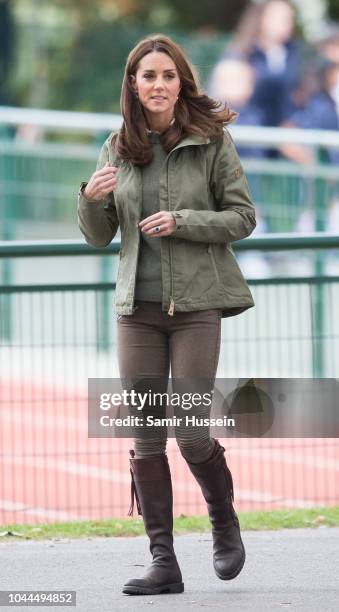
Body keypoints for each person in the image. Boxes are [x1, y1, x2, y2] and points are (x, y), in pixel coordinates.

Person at [77, 34, 256, 596]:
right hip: (137, 310)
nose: (158, 85)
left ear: (182, 83)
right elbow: (98, 236)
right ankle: (163, 562)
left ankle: (223, 521)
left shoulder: (211, 141)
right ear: (133, 84)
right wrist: (90, 197)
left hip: (197, 305)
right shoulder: (116, 145)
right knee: (147, 434)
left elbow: (243, 217)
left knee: (190, 429)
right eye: (147, 76)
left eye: (168, 76)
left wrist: (184, 220)